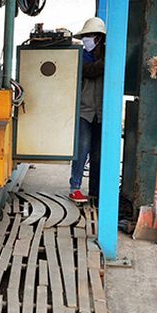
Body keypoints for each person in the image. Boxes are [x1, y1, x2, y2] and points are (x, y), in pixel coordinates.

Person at [69, 16, 106, 203]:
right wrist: (106, 61)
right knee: (82, 149)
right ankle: (74, 187)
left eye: (89, 36)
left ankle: (95, 191)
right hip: (84, 111)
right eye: (85, 36)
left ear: (99, 37)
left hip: (102, 113)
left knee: (98, 153)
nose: (85, 40)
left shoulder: (106, 57)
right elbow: (90, 71)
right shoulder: (81, 57)